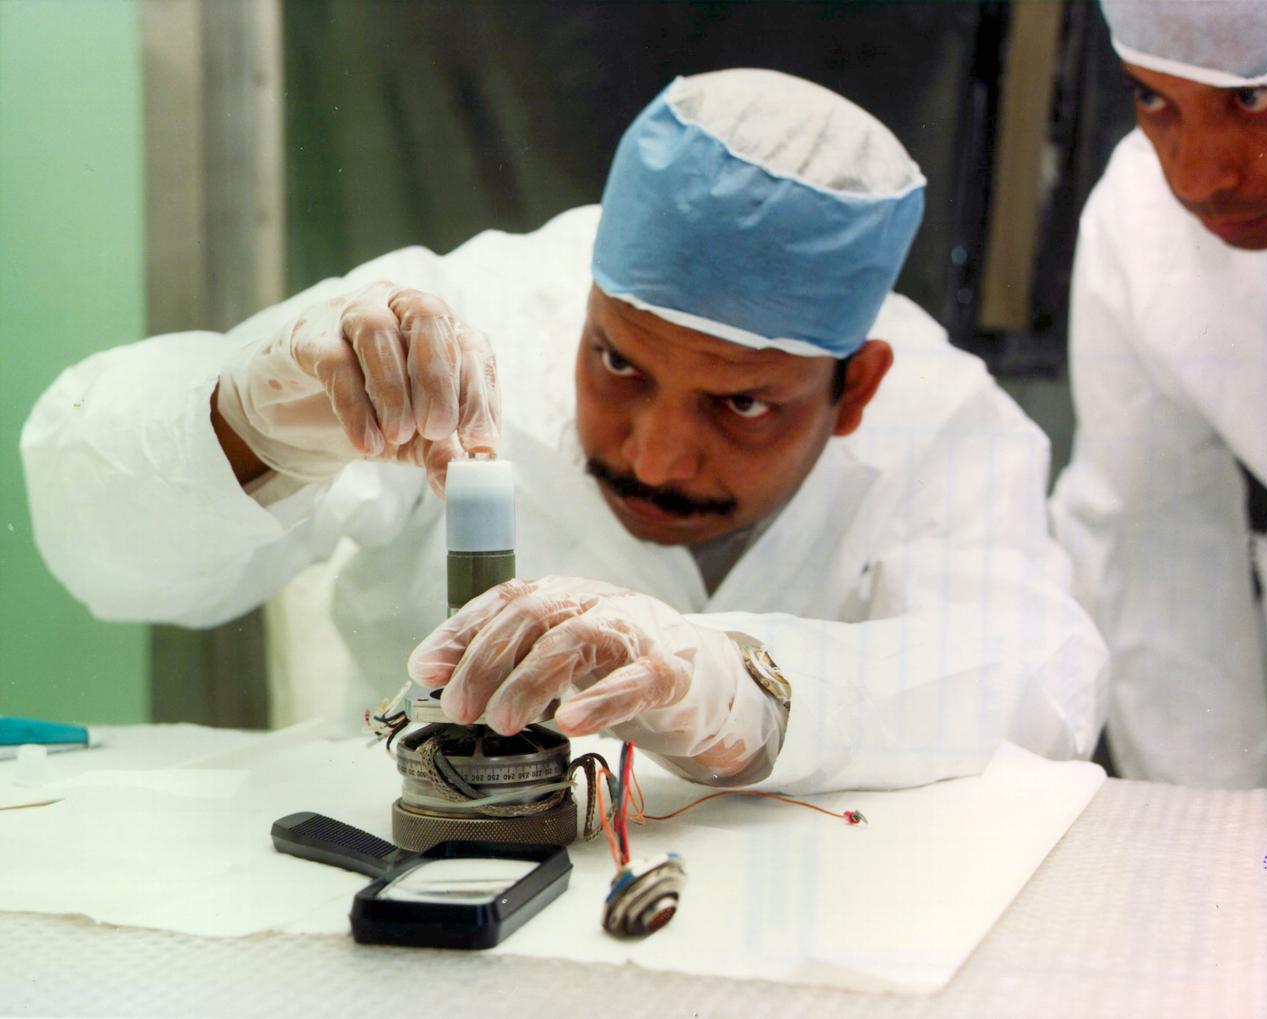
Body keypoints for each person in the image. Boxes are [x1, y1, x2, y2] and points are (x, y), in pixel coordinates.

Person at [23, 69, 1106, 791]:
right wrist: (245, 425)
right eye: (616, 363)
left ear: (853, 387)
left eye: (741, 404)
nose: (653, 456)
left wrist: (749, 687)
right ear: (583, 305)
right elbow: (104, 563)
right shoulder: (459, 321)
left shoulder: (937, 416)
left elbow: (1033, 684)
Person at [1051, 2, 1267, 787]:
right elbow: (1154, 544)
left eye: (1253, 98)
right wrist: (1219, 840)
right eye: (1154, 98)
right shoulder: (1143, 222)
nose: (1199, 176)